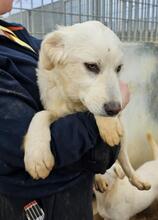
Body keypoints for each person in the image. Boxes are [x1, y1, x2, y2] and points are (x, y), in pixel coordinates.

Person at [0, 1, 129, 220]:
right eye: (92, 67)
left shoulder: (17, 35)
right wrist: (96, 121)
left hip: (77, 195)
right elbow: (17, 150)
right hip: (38, 206)